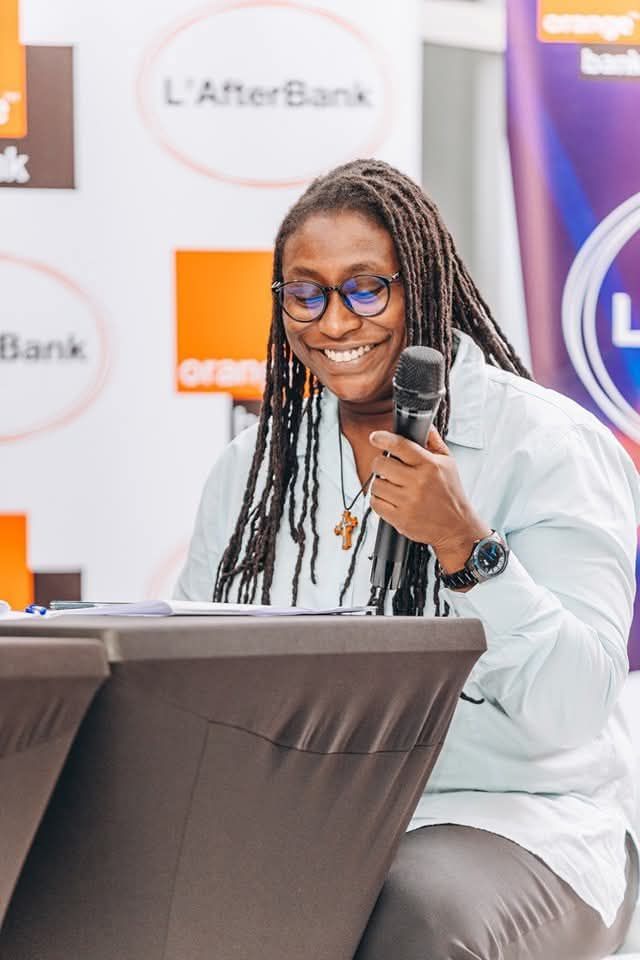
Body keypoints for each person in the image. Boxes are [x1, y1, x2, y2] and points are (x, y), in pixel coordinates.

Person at [175, 158, 640, 958]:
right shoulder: (255, 469)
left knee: (408, 911)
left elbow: (574, 708)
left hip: (516, 819)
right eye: (306, 294)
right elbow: (195, 671)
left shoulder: (548, 445)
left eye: (366, 289)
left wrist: (465, 547)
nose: (333, 322)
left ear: (422, 289)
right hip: (312, 817)